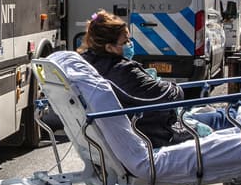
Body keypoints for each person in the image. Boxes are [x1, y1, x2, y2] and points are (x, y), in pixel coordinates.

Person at [79, 11, 224, 147]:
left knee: (215, 114)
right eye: (125, 42)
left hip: (148, 124)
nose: (130, 44)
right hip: (159, 132)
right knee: (222, 118)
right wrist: (172, 87)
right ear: (109, 48)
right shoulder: (122, 71)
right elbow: (168, 96)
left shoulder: (90, 65)